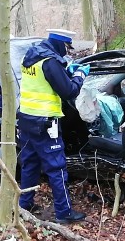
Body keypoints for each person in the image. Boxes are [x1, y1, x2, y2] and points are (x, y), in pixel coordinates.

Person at [17, 29, 90, 223]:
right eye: (67, 47)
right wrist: (80, 75)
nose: (67, 52)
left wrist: (67, 71)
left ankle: (24, 204)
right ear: (60, 43)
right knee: (56, 167)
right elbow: (69, 91)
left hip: (26, 120)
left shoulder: (33, 55)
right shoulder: (50, 61)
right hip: (45, 123)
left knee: (30, 164)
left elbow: (45, 80)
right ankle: (64, 212)